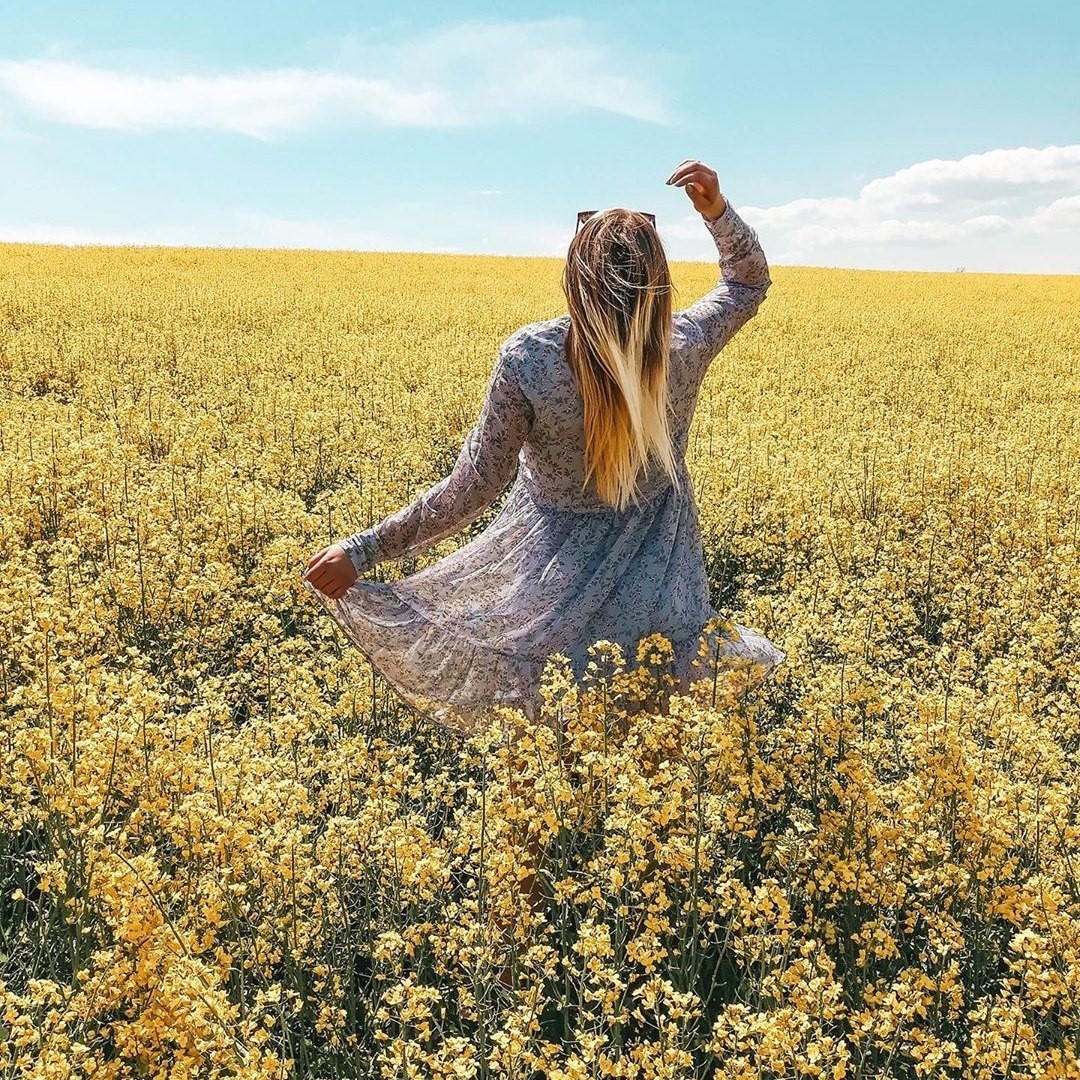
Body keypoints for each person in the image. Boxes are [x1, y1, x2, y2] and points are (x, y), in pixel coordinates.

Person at [301, 159, 785, 736]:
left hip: (552, 574)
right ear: (658, 280)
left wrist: (363, 551)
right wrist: (716, 212)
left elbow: (474, 486)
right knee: (656, 720)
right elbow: (747, 282)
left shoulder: (532, 358)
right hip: (662, 573)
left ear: (574, 276)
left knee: (557, 721)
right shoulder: (682, 344)